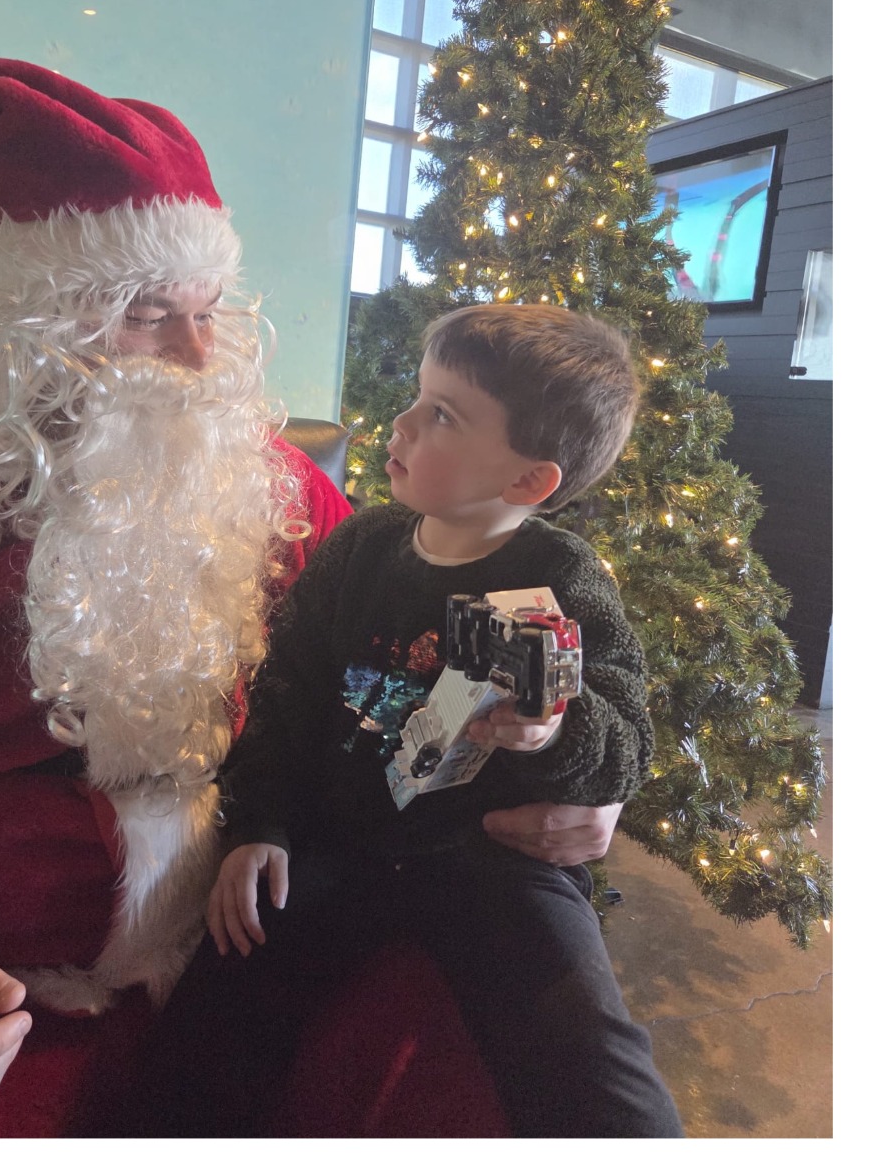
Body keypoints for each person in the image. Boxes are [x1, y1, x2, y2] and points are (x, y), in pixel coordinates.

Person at [0, 57, 353, 1137]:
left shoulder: (256, 478)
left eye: (209, 309)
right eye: (144, 314)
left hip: (231, 967)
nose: (200, 358)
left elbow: (416, 638)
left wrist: (550, 753)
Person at [138, 302, 684, 1138]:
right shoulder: (362, 547)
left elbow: (627, 743)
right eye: (418, 396)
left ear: (527, 481)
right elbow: (289, 693)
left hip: (495, 864)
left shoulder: (563, 575)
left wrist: (553, 732)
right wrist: (264, 827)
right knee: (215, 1010)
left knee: (597, 1063)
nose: (400, 421)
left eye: (442, 415)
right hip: (339, 841)